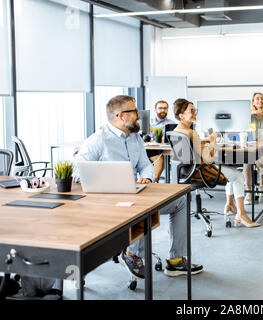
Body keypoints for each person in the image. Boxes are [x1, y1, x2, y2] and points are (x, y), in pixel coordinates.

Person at [73, 95, 203, 277]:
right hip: (111, 200)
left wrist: (147, 178)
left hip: (135, 192)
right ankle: (132, 254)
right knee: (143, 210)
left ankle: (176, 260)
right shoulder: (98, 139)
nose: (139, 115)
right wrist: (111, 181)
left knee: (180, 201)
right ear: (121, 116)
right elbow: (78, 171)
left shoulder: (134, 138)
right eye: (134, 111)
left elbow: (145, 165)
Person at [172, 98, 260, 228]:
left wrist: (203, 142)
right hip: (200, 172)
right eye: (191, 111)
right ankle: (241, 214)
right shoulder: (192, 133)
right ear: (181, 116)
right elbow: (208, 159)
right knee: (237, 176)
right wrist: (213, 141)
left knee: (230, 173)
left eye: (195, 110)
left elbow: (190, 149)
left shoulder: (176, 131)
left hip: (185, 172)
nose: (195, 113)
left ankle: (230, 204)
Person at [243, 92, 263, 205]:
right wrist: (252, 113)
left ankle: (261, 186)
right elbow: (244, 129)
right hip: (251, 147)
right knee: (246, 164)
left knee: (260, 162)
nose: (260, 101)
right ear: (253, 102)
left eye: (262, 98)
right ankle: (249, 192)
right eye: (257, 99)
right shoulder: (248, 116)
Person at [147, 100, 177, 182]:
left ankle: (153, 181)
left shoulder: (171, 123)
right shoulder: (148, 122)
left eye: (165, 108)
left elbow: (170, 139)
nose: (163, 110)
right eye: (160, 108)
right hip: (147, 149)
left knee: (161, 160)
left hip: (162, 151)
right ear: (155, 110)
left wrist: (153, 130)